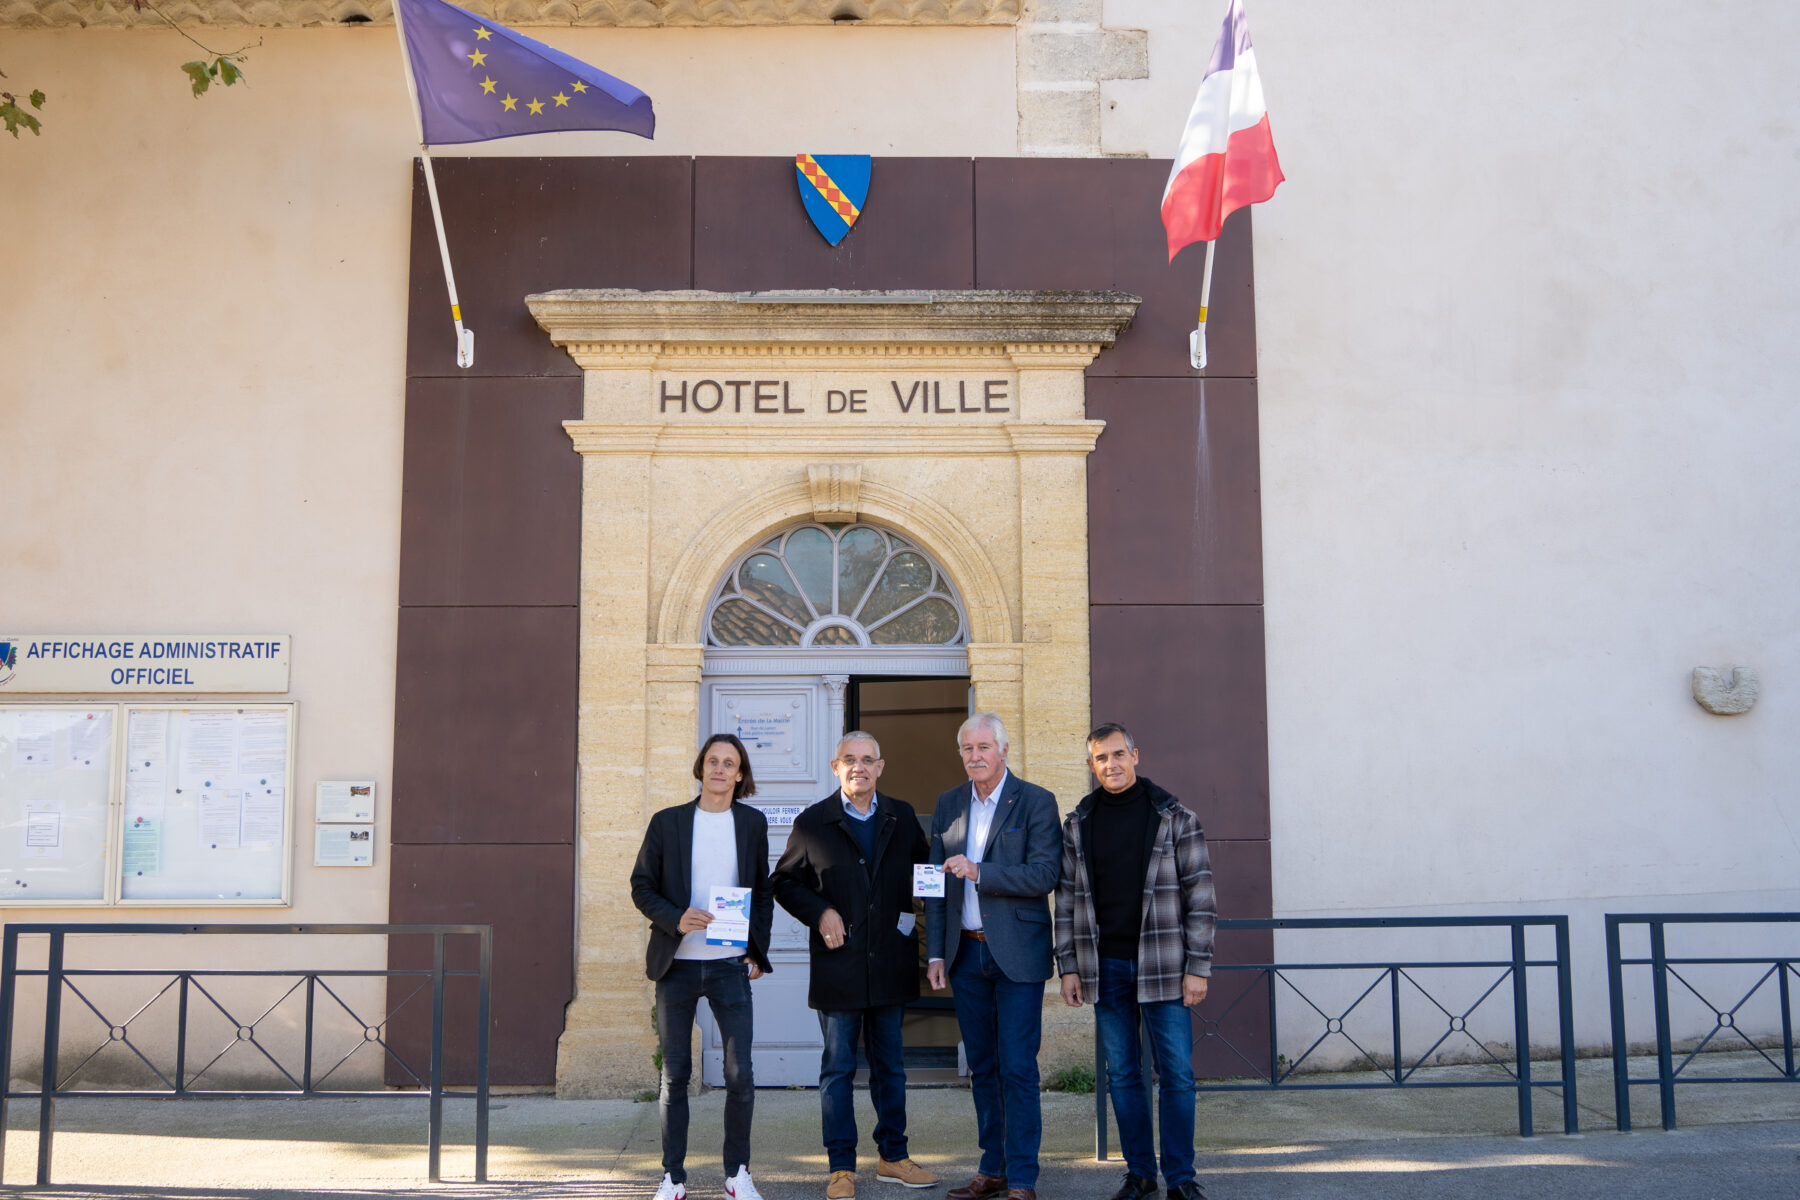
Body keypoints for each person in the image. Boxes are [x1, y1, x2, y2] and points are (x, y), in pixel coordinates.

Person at [772, 731, 940, 1200]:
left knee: (891, 1067)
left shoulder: (901, 816)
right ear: (835, 767)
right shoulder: (811, 823)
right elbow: (783, 883)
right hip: (839, 966)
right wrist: (820, 911)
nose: (859, 767)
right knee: (838, 1069)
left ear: (881, 767)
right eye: (850, 759)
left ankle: (894, 1156)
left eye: (867, 760)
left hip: (889, 961)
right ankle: (841, 1167)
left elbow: (925, 875)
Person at [1054, 723, 1215, 1200]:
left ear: (1136, 756)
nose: (1112, 764)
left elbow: (1201, 898)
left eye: (1119, 754)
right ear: (1091, 765)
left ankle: (1182, 1181)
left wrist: (1198, 966)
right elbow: (1065, 901)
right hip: (1105, 969)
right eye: (1101, 758)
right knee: (1123, 1076)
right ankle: (1140, 1175)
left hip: (1166, 966)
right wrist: (1068, 965)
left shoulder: (1175, 817)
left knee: (1178, 1076)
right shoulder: (1078, 824)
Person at [630, 733, 774, 1200]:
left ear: (740, 774)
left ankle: (738, 1174)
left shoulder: (751, 823)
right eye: (712, 761)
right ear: (700, 768)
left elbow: (762, 893)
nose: (719, 769)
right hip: (677, 965)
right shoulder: (667, 822)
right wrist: (676, 918)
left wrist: (756, 950)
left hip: (730, 965)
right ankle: (673, 1177)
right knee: (675, 1074)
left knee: (740, 1075)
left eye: (729, 763)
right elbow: (641, 886)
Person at [924, 712, 1061, 1200]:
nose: (975, 756)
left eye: (983, 747)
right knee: (982, 1067)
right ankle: (993, 1168)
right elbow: (937, 884)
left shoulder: (1036, 802)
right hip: (965, 956)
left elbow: (1044, 874)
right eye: (967, 749)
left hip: (1016, 956)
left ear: (1003, 750)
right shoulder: (949, 804)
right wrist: (935, 953)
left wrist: (981, 872)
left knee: (1018, 1067)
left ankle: (1022, 1177)